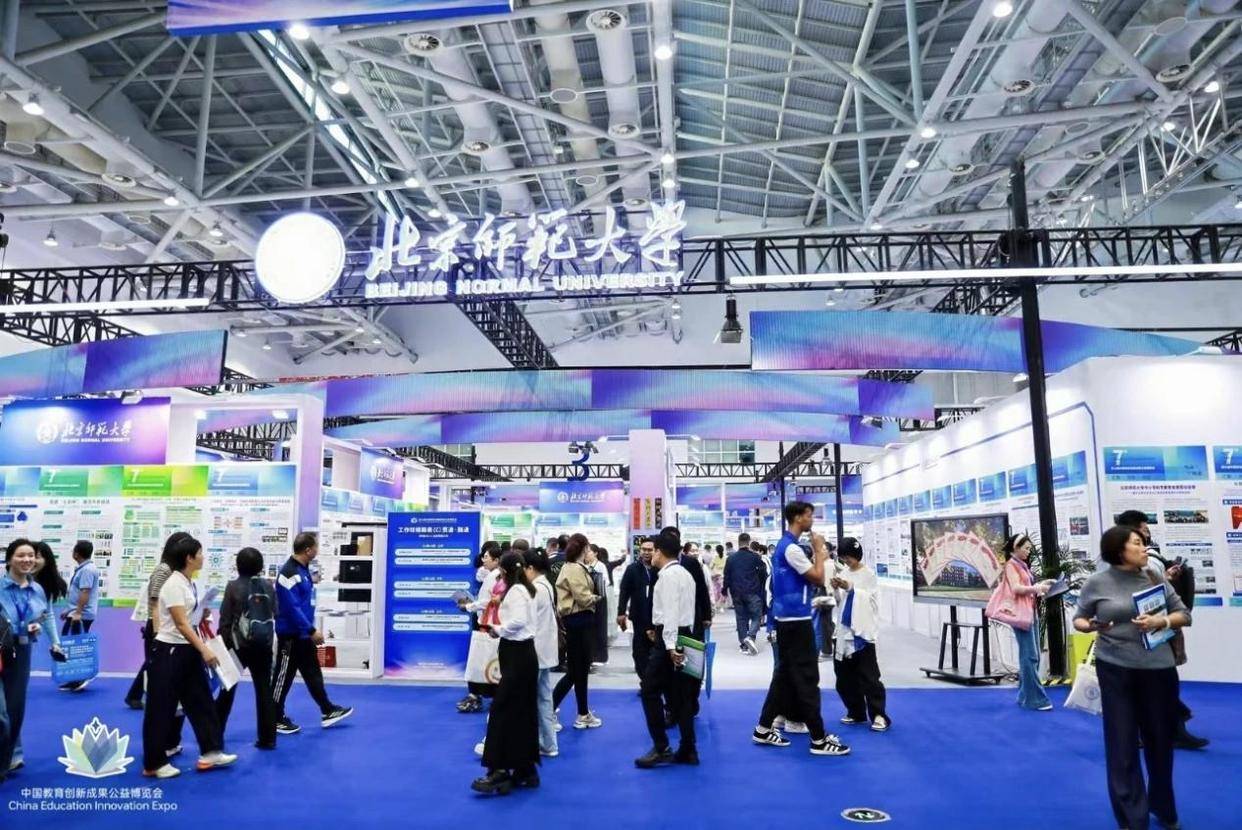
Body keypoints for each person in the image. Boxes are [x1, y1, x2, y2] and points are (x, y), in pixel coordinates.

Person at [1074, 525, 1192, 830]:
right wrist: (1091, 625)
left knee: (1160, 743)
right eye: (1137, 543)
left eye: (1143, 543)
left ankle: (1163, 806)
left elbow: (1184, 615)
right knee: (1122, 743)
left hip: (1159, 671)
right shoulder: (1097, 583)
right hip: (1115, 669)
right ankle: (1131, 817)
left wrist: (1160, 621)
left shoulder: (1154, 577)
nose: (1144, 548)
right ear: (1119, 550)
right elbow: (1079, 619)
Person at [752, 501, 850, 757]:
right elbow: (817, 577)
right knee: (807, 678)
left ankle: (763, 728)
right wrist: (819, 551)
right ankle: (818, 739)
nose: (812, 519)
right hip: (796, 622)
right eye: (808, 515)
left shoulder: (785, 546)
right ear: (797, 518)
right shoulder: (792, 549)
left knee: (784, 677)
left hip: (789, 619)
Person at [141, 535, 236, 778]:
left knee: (201, 700)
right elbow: (181, 624)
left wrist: (200, 613)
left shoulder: (187, 582)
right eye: (200, 553)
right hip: (170, 651)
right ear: (189, 558)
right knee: (161, 708)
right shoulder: (173, 584)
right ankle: (154, 763)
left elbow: (187, 619)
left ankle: (211, 751)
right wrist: (204, 649)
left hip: (186, 649)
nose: (203, 557)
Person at [1116, 510, 1208, 750]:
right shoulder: (1115, 563)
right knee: (1146, 683)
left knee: (1162, 679)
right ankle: (1158, 729)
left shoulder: (1148, 559)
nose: (1146, 535)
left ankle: (1172, 728)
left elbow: (1168, 599)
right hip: (1136, 633)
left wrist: (1164, 579)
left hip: (1156, 628)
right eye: (1143, 530)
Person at [472, 552, 540, 796]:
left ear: (506, 570)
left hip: (518, 655)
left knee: (502, 710)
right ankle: (525, 768)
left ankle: (499, 769)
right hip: (519, 655)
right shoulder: (522, 589)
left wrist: (497, 629)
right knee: (520, 712)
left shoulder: (517, 591)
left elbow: (518, 621)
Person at [272, 532, 353, 735]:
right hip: (291, 636)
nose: (318, 550)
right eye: (316, 546)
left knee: (312, 673)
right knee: (283, 677)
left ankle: (327, 709)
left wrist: (309, 630)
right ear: (308, 550)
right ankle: (273, 717)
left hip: (303, 635)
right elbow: (291, 608)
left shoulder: (303, 569)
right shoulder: (288, 574)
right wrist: (311, 630)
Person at [0, 539, 66, 780]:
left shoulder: (37, 589)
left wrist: (54, 642)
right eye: (21, 555)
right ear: (9, 559)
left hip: (22, 651)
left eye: (31, 555)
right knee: (1, 714)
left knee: (15, 710)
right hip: (0, 651)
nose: (27, 559)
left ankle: (6, 761)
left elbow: (45, 616)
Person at [635, 531, 701, 769]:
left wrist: (670, 645)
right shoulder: (685, 574)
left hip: (671, 639)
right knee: (681, 695)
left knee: (649, 690)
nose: (649, 555)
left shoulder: (668, 576)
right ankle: (688, 748)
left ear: (659, 552)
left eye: (652, 551)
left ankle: (661, 747)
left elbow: (671, 612)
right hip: (685, 634)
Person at [214, 547, 278, 750]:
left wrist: (224, 646)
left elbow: (225, 619)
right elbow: (275, 612)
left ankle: (214, 735)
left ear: (237, 565)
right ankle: (268, 738)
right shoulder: (268, 586)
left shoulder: (233, 587)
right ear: (260, 566)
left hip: (238, 646)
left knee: (227, 690)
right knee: (264, 691)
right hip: (263, 645)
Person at [126, 532, 190, 711]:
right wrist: (157, 631)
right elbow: (155, 601)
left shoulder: (175, 571)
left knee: (153, 663)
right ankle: (141, 698)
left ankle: (134, 695)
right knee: (154, 664)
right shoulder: (164, 570)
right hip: (157, 625)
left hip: (163, 625)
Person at [831, 538, 889, 732]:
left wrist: (850, 587)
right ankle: (856, 711)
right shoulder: (844, 573)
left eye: (848, 557)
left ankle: (879, 714)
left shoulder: (869, 575)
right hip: (843, 631)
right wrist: (836, 588)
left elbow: (871, 600)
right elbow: (840, 602)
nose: (846, 561)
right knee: (843, 677)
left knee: (869, 676)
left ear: (856, 555)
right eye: (843, 557)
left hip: (862, 632)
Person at [998, 533, 1055, 711]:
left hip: (1030, 613)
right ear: (1016, 547)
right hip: (1021, 615)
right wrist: (1037, 588)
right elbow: (1016, 588)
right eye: (1026, 548)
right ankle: (1035, 699)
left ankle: (1025, 695)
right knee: (1030, 656)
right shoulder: (1011, 565)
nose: (1029, 552)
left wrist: (1042, 585)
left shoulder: (1021, 565)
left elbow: (1026, 586)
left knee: (1031, 655)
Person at [553, 533, 602, 729]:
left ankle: (583, 713)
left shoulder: (575, 567)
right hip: (578, 620)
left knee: (580, 671)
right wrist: (597, 597)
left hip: (578, 620)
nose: (590, 552)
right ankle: (548, 712)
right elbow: (583, 597)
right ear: (584, 548)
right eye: (588, 548)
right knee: (575, 671)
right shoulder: (574, 568)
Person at [457, 542, 502, 714]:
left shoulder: (495, 577)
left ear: (496, 560)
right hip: (487, 622)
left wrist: (469, 606)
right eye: (483, 556)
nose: (484, 560)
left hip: (488, 624)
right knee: (485, 661)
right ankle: (480, 695)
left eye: (487, 557)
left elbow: (487, 601)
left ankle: (477, 695)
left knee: (483, 661)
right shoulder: (491, 575)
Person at [523, 548, 559, 758]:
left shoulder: (535, 589)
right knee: (544, 699)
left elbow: (523, 621)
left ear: (530, 568)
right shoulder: (546, 585)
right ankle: (548, 743)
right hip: (544, 652)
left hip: (533, 652)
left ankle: (512, 744)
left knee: (523, 699)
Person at [58, 540, 100, 691]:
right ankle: (73, 679)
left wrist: (78, 612)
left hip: (81, 615)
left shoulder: (87, 570)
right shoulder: (84, 569)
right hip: (77, 613)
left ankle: (80, 679)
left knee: (76, 646)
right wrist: (69, 610)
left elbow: (85, 592)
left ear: (76, 553)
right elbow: (79, 593)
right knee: (70, 644)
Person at [618, 537, 658, 676]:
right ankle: (644, 678)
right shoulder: (632, 569)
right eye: (644, 549)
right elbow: (624, 591)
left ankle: (654, 679)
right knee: (639, 650)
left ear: (656, 551)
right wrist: (621, 612)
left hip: (657, 617)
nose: (646, 552)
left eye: (650, 550)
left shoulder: (660, 569)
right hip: (639, 616)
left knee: (656, 650)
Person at [723, 533, 765, 655]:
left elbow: (727, 576)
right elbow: (763, 573)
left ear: (738, 542)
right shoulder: (755, 557)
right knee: (757, 616)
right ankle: (750, 636)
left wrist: (725, 589)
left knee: (741, 618)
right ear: (749, 542)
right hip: (752, 591)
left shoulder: (731, 558)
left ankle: (743, 644)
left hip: (736, 592)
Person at [585, 545, 610, 666]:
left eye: (589, 551)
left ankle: (601, 656)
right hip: (588, 600)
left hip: (600, 599)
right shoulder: (584, 566)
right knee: (590, 628)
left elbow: (606, 582)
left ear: (595, 553)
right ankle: (591, 654)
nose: (587, 554)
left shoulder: (600, 566)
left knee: (600, 627)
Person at [31, 542, 67, 609]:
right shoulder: (17, 582)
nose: (31, 560)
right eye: (30, 556)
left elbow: (51, 612)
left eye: (37, 557)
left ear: (46, 561)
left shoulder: (51, 584)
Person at [709, 546, 727, 610]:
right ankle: (722, 606)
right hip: (723, 576)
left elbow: (711, 566)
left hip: (715, 576)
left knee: (715, 590)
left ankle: (716, 605)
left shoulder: (715, 557)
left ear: (716, 550)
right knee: (723, 590)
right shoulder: (726, 557)